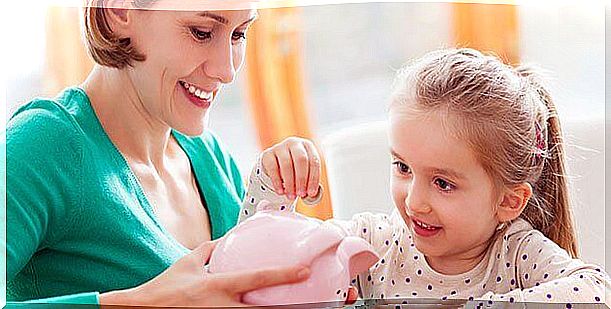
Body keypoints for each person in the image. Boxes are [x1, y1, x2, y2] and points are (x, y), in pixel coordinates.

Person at [5, 0, 331, 306]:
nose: (227, 70)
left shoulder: (210, 158)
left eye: (238, 34)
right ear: (119, 11)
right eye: (201, 32)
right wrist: (146, 302)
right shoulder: (43, 145)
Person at [241, 48, 611, 306]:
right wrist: (271, 186)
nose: (414, 201)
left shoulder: (516, 254)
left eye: (443, 183)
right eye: (403, 168)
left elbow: (598, 292)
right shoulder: (376, 242)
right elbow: (253, 274)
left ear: (508, 201)